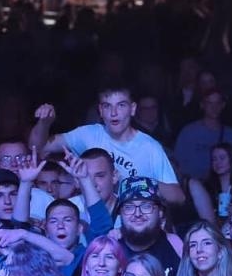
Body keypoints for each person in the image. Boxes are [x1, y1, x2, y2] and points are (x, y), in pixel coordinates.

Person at [29, 86, 184, 204]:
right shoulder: (87, 135)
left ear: (133, 109)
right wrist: (44, 124)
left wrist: (140, 183)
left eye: (121, 105)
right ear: (100, 111)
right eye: (107, 106)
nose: (114, 113)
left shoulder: (150, 147)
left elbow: (178, 197)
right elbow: (37, 148)